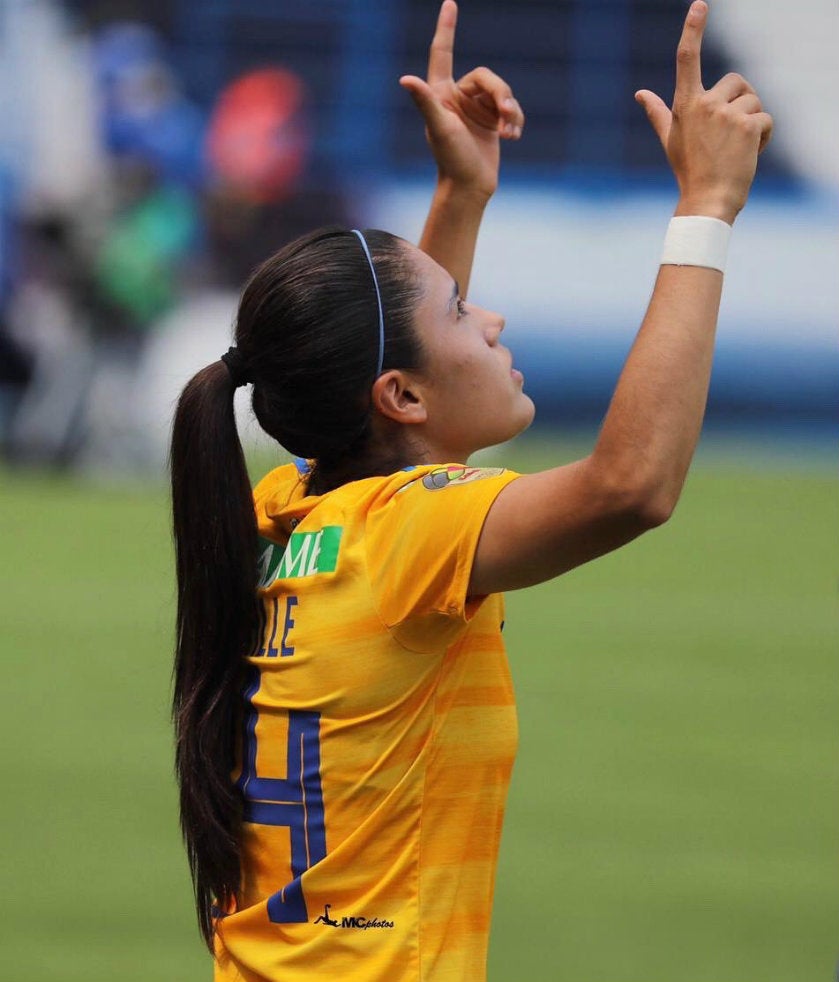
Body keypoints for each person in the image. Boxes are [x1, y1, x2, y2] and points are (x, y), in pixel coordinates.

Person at [169, 2, 772, 979]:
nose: (489, 317)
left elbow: (390, 399)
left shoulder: (289, 513)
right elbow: (630, 485)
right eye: (460, 309)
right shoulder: (405, 534)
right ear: (398, 392)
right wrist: (702, 210)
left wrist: (461, 190)